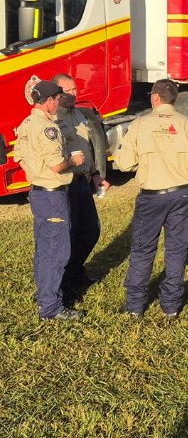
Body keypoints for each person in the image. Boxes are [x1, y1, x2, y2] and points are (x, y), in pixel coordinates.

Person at [115, 79, 188, 319]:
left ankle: (135, 305)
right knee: (177, 250)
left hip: (152, 197)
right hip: (181, 194)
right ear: (173, 99)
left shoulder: (140, 124)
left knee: (143, 249)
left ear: (155, 97)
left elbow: (124, 163)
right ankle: (171, 305)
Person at [13, 80, 87, 321]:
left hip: (37, 191)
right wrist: (74, 162)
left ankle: (44, 295)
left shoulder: (26, 123)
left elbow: (19, 156)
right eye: (56, 98)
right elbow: (56, 165)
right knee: (57, 251)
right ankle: (51, 307)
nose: (59, 102)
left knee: (44, 249)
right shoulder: (47, 128)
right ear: (48, 101)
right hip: (52, 193)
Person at [53, 73, 104, 303]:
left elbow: (86, 147)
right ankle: (64, 283)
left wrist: (94, 174)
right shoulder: (53, 120)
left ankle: (76, 270)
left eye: (75, 89)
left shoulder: (80, 115)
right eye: (68, 91)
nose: (74, 94)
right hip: (66, 185)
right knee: (69, 236)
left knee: (91, 230)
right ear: (56, 93)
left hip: (83, 181)